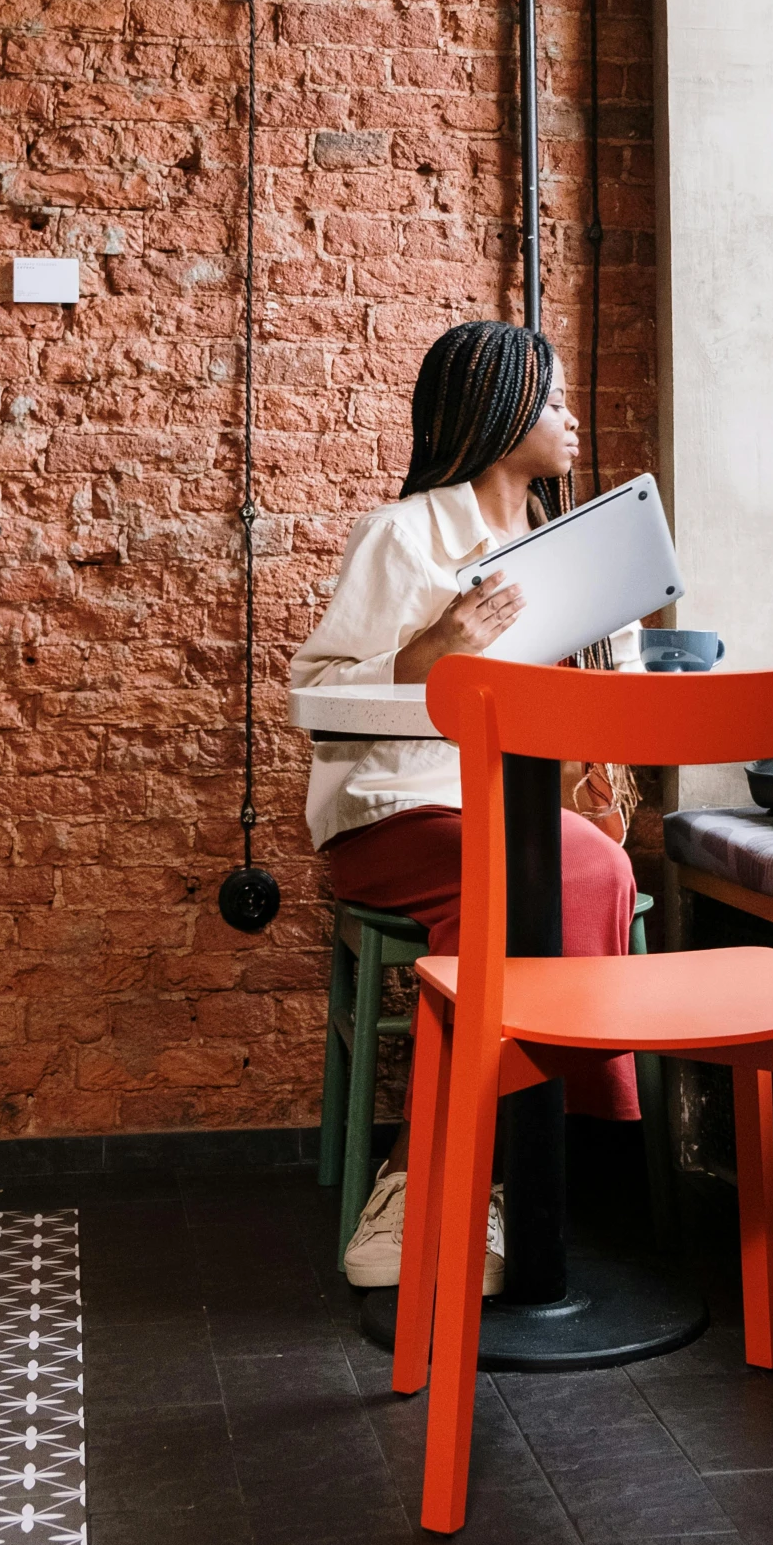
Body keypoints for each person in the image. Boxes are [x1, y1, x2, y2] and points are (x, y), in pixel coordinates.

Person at [291, 318, 641, 1294]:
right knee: (564, 873)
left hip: (527, 815)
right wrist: (430, 652)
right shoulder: (405, 535)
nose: (571, 422)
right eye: (553, 400)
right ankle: (449, 1181)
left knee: (568, 866)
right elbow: (320, 696)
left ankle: (478, 1176)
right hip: (399, 813)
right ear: (496, 413)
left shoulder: (573, 554)